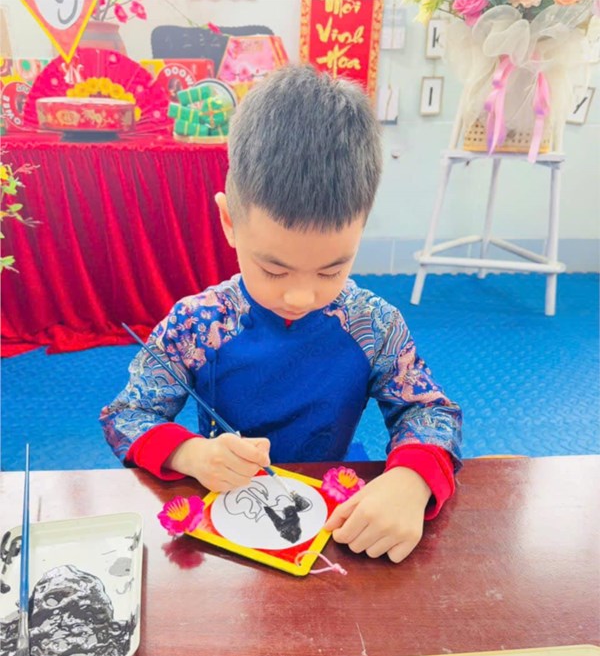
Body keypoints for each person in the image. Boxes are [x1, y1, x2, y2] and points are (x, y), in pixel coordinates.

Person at [100, 65, 462, 563]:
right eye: (273, 269)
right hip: (227, 508)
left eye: (332, 269)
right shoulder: (198, 324)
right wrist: (191, 453)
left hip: (337, 511)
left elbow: (429, 410)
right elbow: (127, 415)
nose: (300, 296)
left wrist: (410, 479)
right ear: (229, 221)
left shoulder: (372, 324)